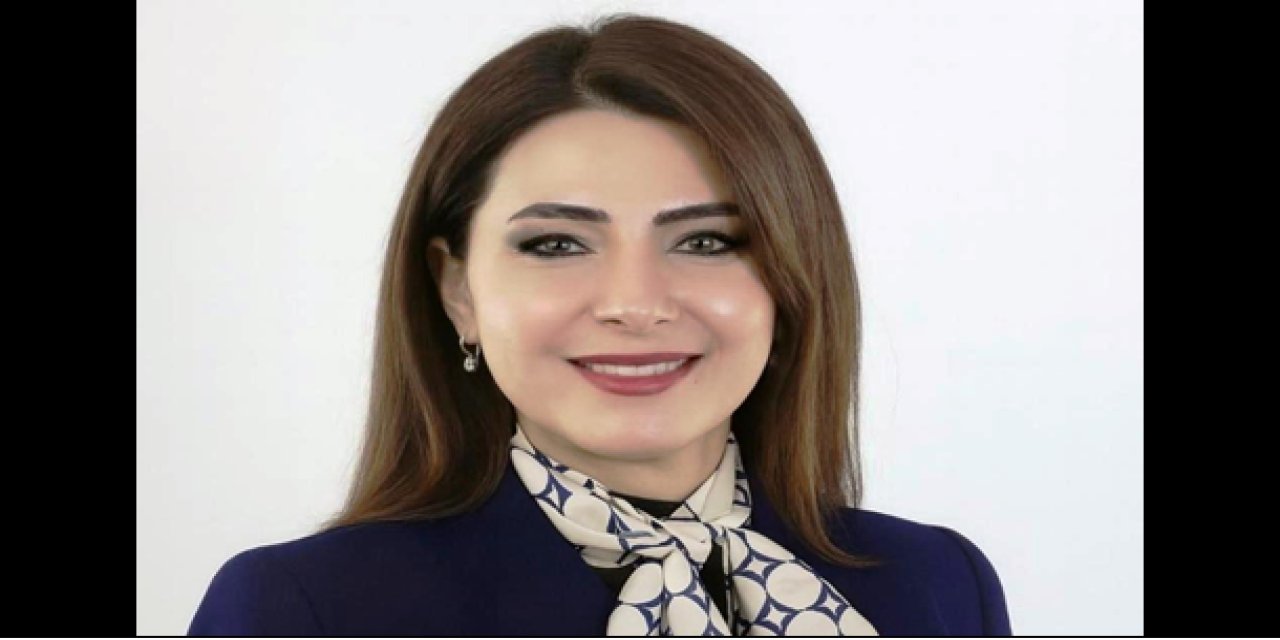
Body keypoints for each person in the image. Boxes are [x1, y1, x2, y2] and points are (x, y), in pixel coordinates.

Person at [188, 13, 1011, 636]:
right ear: (457, 290)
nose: (634, 301)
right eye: (556, 244)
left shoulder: (937, 586)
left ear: (791, 281)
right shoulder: (305, 609)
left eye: (707, 241)